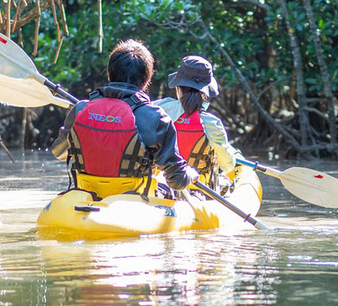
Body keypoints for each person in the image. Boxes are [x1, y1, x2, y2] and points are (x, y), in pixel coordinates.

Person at [50, 40, 198, 196]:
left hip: (88, 193)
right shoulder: (157, 117)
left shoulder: (80, 109)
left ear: (109, 74)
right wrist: (192, 173)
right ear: (147, 80)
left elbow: (59, 152)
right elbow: (177, 180)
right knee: (164, 183)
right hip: (135, 199)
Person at [154, 55, 244, 187]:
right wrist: (233, 156)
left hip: (164, 183)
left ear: (178, 88)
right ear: (205, 92)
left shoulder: (158, 109)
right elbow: (228, 166)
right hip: (198, 185)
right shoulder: (212, 123)